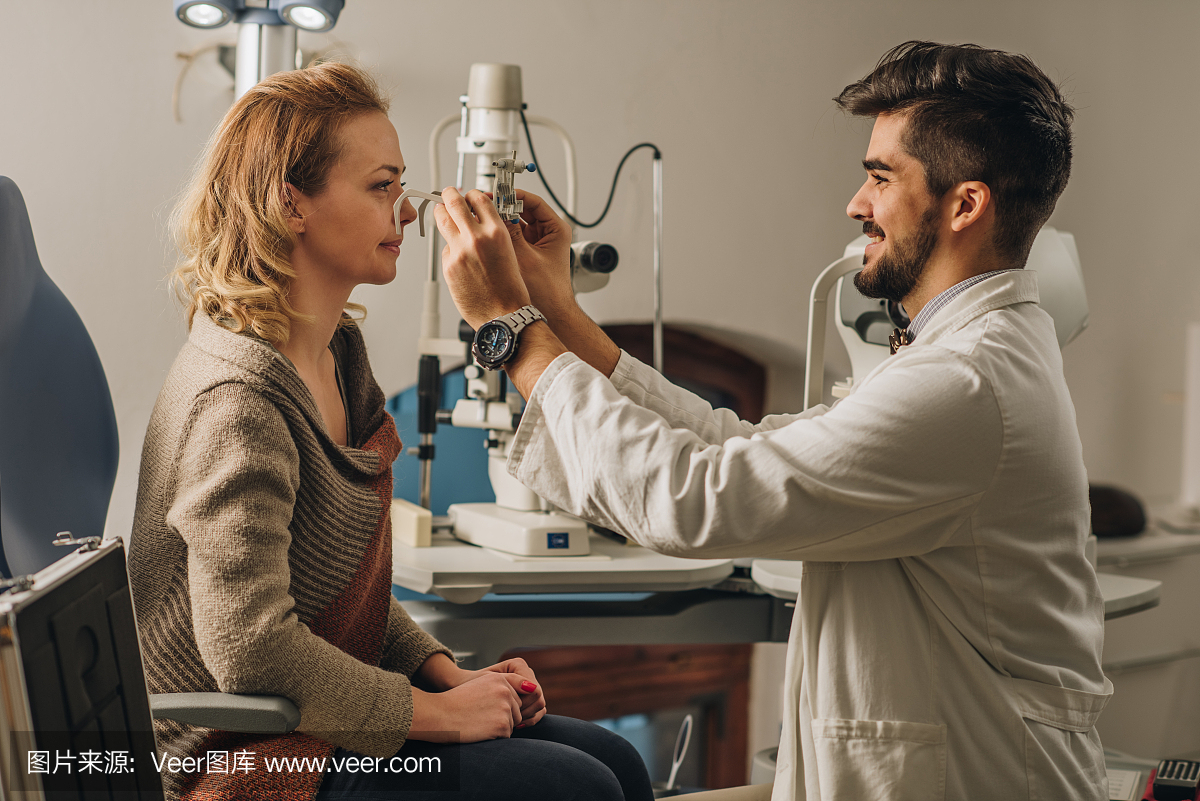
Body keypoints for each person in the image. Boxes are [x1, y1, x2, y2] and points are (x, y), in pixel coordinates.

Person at [434, 41, 1111, 801]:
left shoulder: (965, 381)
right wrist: (558, 313)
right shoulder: (960, 357)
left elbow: (692, 497)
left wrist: (511, 329)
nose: (857, 204)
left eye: (881, 177)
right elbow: (742, 447)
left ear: (965, 205)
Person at [128, 62, 653, 801]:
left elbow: (346, 589)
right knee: (575, 788)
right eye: (381, 186)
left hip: (315, 716)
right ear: (292, 203)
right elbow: (251, 646)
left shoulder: (338, 351)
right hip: (245, 755)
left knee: (617, 765)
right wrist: (434, 713)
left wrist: (447, 672)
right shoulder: (237, 401)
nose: (407, 212)